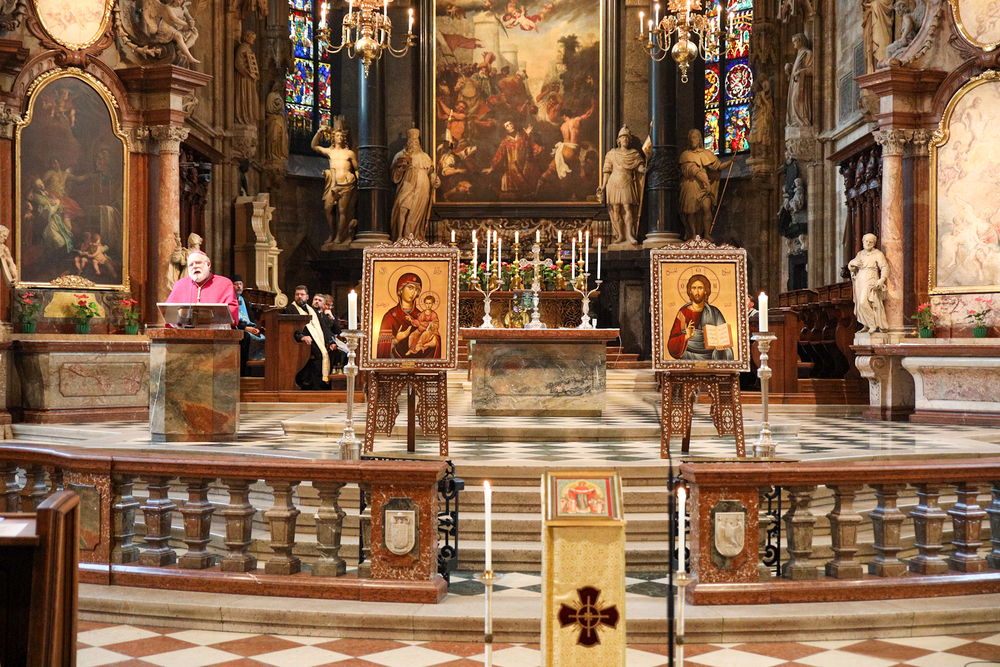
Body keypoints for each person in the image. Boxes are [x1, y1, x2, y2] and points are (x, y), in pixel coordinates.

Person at [678, 128, 732, 241]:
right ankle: (693, 235)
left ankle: (707, 233)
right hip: (691, 185)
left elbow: (717, 167)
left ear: (700, 139)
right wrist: (706, 182)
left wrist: (730, 162)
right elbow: (692, 170)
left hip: (704, 187)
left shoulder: (707, 154)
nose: (693, 140)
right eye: (691, 138)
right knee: (691, 211)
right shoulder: (685, 155)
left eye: (695, 138)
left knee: (706, 208)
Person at [666, 274, 734, 361]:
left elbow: (724, 338)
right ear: (690, 291)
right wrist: (686, 336)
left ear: (705, 291)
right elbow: (672, 344)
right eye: (694, 288)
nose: (697, 292)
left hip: (710, 357)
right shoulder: (683, 313)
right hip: (688, 356)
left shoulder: (714, 312)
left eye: (700, 288)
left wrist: (721, 347)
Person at [598, 125, 646, 246]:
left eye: (626, 138)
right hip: (613, 183)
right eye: (622, 137)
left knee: (627, 208)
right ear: (618, 140)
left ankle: (629, 234)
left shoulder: (634, 154)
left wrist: (643, 169)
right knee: (616, 209)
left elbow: (639, 166)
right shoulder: (612, 154)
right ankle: (620, 235)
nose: (624, 139)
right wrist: (603, 186)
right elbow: (607, 171)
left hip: (626, 183)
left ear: (629, 141)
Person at [390, 128, 440, 241]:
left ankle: (414, 235)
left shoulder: (425, 157)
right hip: (408, 183)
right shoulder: (400, 155)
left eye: (416, 141)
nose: (414, 143)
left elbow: (431, 173)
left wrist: (434, 179)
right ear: (408, 142)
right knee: (403, 207)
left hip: (423, 186)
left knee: (419, 210)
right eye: (412, 141)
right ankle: (400, 236)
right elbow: (394, 175)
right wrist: (401, 169)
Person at [312, 126, 358, 246]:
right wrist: (319, 132)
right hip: (333, 184)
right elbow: (314, 146)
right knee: (327, 208)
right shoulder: (330, 152)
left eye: (342, 136)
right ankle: (332, 233)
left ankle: (339, 237)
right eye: (338, 136)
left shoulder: (349, 153)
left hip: (347, 184)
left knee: (342, 211)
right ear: (333, 138)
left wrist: (359, 182)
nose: (340, 138)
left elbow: (356, 169)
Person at [285, 285, 338, 389]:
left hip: (317, 340)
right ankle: (316, 386)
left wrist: (331, 342)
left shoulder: (311, 310)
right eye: (297, 294)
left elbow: (324, 328)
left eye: (302, 294)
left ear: (307, 297)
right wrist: (302, 337)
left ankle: (326, 384)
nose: (299, 297)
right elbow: (289, 329)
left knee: (331, 351)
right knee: (318, 353)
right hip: (299, 341)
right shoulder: (290, 309)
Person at [376, 274, 441, 359]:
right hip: (395, 365)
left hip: (419, 364)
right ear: (401, 289)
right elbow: (382, 350)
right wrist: (396, 340)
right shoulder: (390, 316)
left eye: (416, 289)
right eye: (410, 288)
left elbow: (433, 336)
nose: (413, 292)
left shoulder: (421, 315)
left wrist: (434, 340)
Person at [165, 250, 239, 325]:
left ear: (208, 265)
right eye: (191, 265)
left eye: (198, 263)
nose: (194, 266)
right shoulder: (180, 284)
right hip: (185, 330)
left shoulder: (224, 283)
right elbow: (168, 312)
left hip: (215, 330)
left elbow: (232, 311)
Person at [848, 233, 890, 333]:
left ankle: (873, 324)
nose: (868, 243)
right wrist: (852, 264)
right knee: (859, 303)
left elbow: (884, 267)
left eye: (870, 242)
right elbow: (851, 265)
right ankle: (866, 324)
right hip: (859, 280)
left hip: (870, 278)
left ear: (874, 243)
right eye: (866, 241)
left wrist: (882, 279)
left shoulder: (877, 254)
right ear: (863, 242)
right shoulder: (860, 254)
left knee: (864, 301)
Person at [231, 275, 264, 376]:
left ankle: (258, 372)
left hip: (249, 328)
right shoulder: (229, 300)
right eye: (236, 284)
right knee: (245, 337)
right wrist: (245, 328)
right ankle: (244, 372)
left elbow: (252, 318)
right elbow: (231, 319)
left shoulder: (244, 301)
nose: (239, 286)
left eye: (240, 284)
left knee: (264, 337)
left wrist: (256, 329)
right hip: (237, 328)